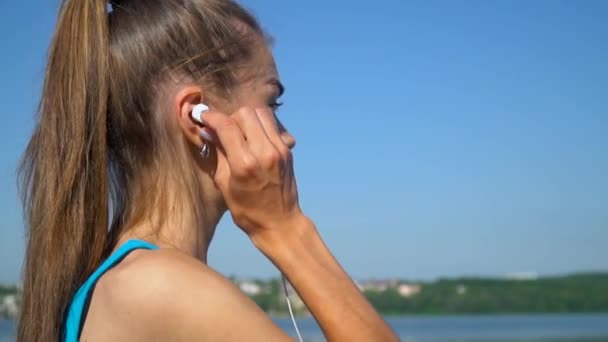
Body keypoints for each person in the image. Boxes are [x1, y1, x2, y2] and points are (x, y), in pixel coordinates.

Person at [18, 0, 399, 341]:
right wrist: (285, 230)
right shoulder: (161, 287)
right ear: (198, 118)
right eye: (272, 104)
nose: (288, 138)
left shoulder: (132, 278)